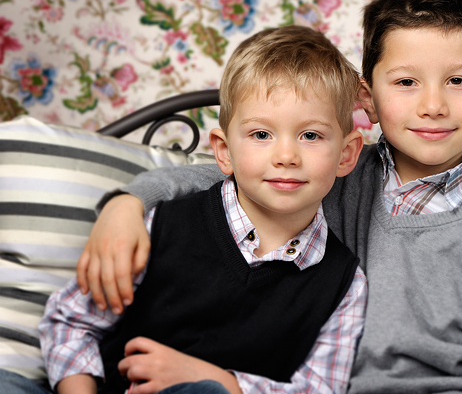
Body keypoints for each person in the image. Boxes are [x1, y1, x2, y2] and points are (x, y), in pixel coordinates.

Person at [77, 0, 462, 393]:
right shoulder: (335, 171)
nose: (433, 105)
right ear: (367, 99)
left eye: (458, 81)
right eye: (405, 81)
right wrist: (126, 203)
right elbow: (227, 175)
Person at [29, 25, 368, 394]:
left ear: (347, 154)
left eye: (310, 136)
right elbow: (72, 322)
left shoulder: (344, 282)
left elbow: (320, 388)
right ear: (224, 151)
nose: (286, 157)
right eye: (261, 135)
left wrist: (222, 382)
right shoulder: (163, 225)